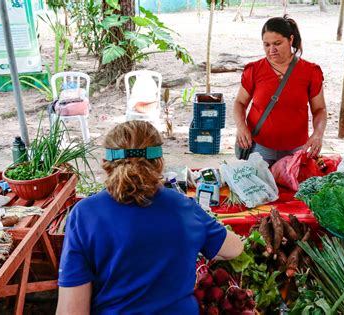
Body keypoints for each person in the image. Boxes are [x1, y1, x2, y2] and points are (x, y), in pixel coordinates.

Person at [56, 121, 244, 314]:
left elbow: (71, 311)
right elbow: (235, 249)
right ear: (159, 163)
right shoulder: (184, 207)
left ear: (106, 163)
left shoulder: (84, 215)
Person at [233, 15, 327, 166]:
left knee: (294, 188)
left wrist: (318, 134)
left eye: (277, 43)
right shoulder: (254, 70)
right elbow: (239, 103)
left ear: (290, 40)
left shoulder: (310, 71)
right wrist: (241, 127)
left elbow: (320, 109)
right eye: (266, 45)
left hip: (296, 148)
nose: (272, 50)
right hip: (259, 146)